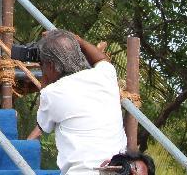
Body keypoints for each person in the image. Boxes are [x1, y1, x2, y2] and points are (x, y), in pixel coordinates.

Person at [27, 29, 127, 174]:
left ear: (50, 65)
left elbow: (43, 125)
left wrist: (45, 76)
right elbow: (101, 59)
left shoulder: (51, 93)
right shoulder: (105, 75)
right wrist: (78, 40)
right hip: (118, 170)